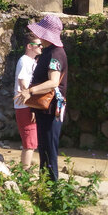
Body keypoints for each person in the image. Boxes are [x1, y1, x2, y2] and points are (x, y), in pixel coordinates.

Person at [23, 14, 68, 182]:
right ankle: (45, 184)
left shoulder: (55, 53)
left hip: (51, 109)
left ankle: (52, 186)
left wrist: (31, 91)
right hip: (44, 109)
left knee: (49, 148)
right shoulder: (49, 51)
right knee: (44, 147)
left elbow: (53, 81)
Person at [14, 38, 42, 172]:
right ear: (29, 46)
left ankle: (26, 169)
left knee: (32, 140)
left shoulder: (30, 61)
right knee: (29, 141)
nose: (41, 47)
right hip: (25, 105)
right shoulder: (24, 60)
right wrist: (32, 105)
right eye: (39, 45)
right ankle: (25, 171)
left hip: (28, 105)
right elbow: (23, 82)